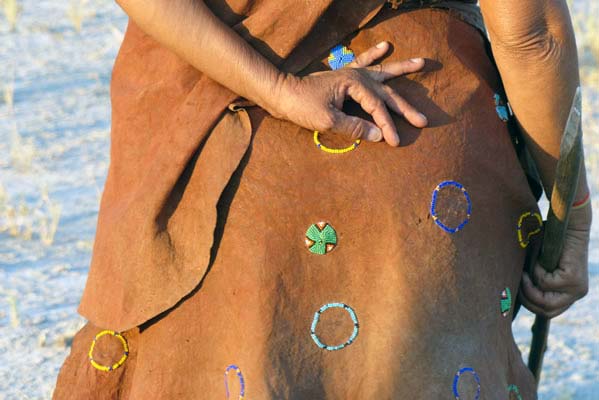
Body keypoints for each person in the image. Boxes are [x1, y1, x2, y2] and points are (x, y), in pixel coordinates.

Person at [53, 0, 592, 398]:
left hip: (215, 139)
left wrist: (276, 89)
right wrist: (573, 214)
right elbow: (530, 33)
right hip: (430, 136)